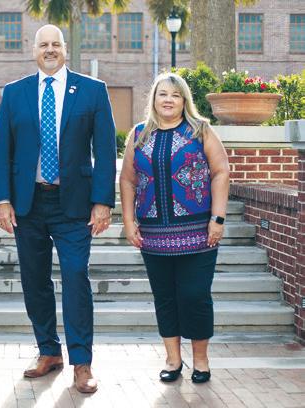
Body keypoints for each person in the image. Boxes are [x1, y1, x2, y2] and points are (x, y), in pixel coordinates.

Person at [0, 25, 116, 393]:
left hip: (74, 204)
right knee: (34, 279)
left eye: (55, 44)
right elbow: (3, 149)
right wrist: (2, 199)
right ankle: (48, 351)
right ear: (34, 50)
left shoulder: (92, 90)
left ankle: (82, 362)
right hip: (28, 203)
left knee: (76, 276)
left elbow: (105, 151)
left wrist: (102, 201)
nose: (49, 50)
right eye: (43, 44)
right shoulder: (14, 93)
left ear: (65, 49)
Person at [120, 72, 230, 384]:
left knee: (195, 296)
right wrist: (128, 222)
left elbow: (221, 172)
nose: (168, 100)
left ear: (184, 101)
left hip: (199, 233)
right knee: (165, 297)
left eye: (175, 95)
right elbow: (127, 179)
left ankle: (201, 360)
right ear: (154, 99)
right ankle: (172, 359)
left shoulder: (200, 130)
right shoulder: (139, 134)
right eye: (163, 94)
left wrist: (218, 218)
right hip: (153, 235)